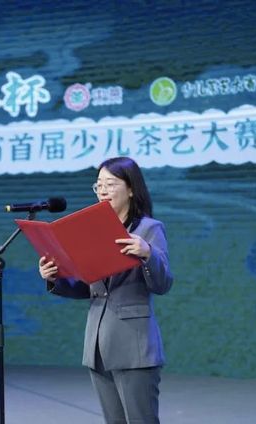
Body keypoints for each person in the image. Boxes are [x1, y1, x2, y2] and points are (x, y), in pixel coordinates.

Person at [38, 157, 173, 423]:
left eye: (110, 184)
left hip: (134, 345)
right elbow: (89, 287)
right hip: (98, 344)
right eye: (98, 185)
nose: (103, 191)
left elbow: (163, 283)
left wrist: (148, 254)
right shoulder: (93, 230)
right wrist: (55, 278)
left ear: (131, 188)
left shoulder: (148, 229)